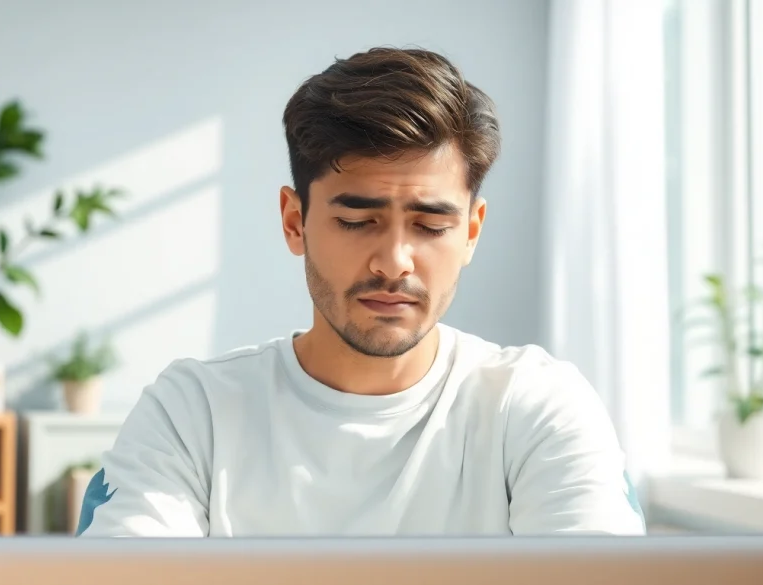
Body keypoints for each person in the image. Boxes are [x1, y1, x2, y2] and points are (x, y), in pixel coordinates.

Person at [76, 46, 645, 537]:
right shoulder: (192, 414)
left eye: (431, 225)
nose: (394, 262)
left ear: (471, 232)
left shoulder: (535, 407)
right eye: (356, 221)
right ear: (295, 222)